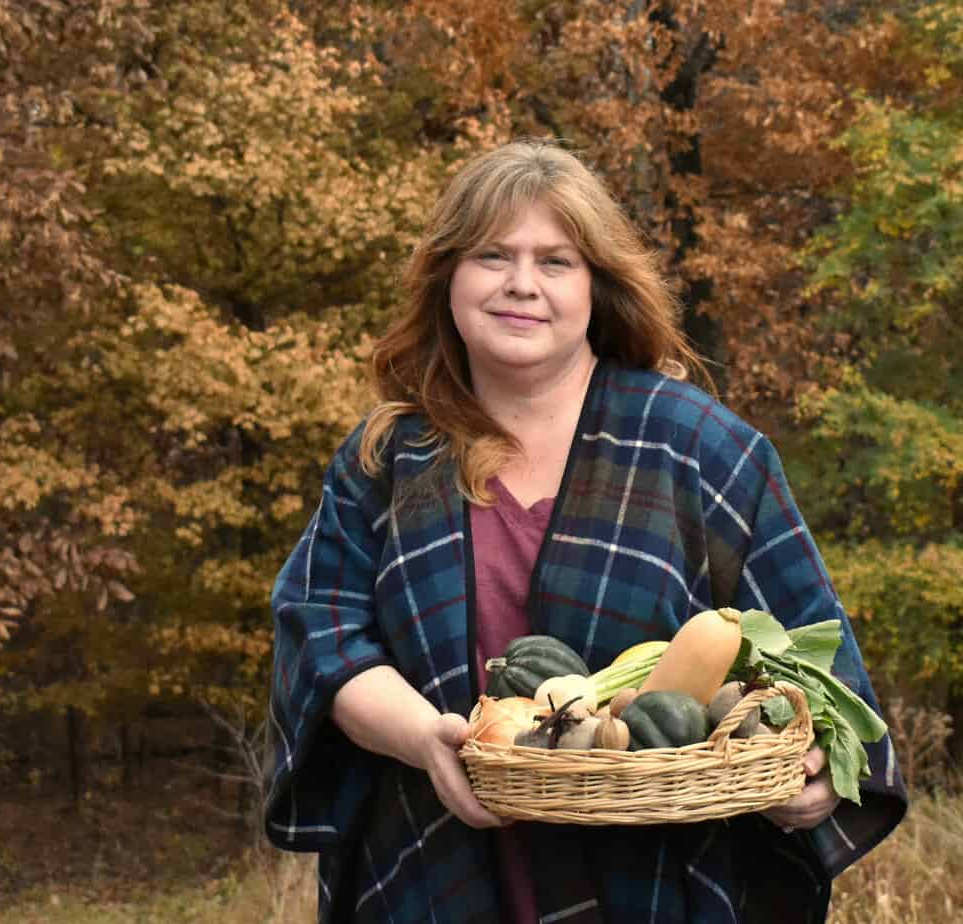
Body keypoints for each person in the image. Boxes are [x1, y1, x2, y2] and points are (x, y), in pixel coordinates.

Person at [264, 139, 906, 923]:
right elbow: (322, 634)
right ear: (448, 279)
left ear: (598, 286)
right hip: (434, 867)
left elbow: (820, 665)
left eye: (556, 261)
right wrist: (423, 739)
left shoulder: (699, 447)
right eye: (492, 255)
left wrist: (807, 771)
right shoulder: (392, 459)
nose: (521, 284)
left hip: (661, 878)